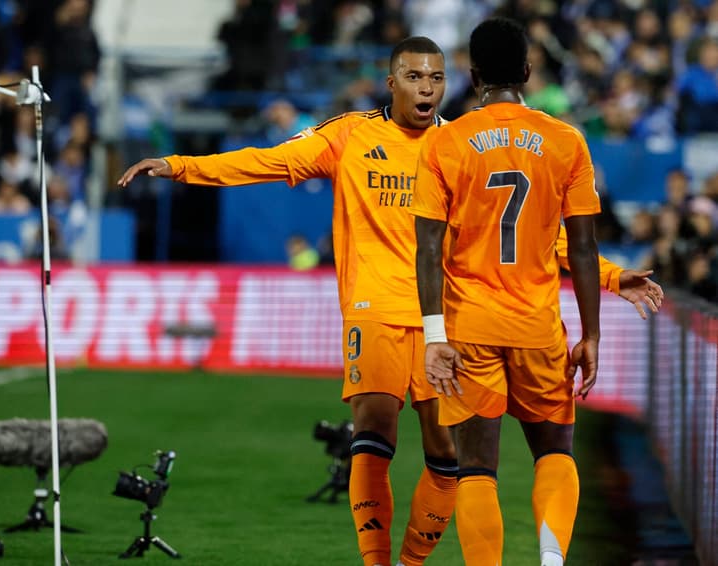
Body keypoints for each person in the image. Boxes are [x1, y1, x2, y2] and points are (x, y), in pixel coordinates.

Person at [119, 37, 662, 566]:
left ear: (456, 81)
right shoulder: (350, 136)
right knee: (375, 425)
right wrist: (181, 165)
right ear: (391, 82)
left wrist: (613, 277)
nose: (426, 88)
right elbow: (269, 161)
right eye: (414, 76)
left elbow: (536, 237)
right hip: (374, 310)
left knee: (450, 457)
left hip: (446, 323)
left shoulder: (460, 142)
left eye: (436, 77)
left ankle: (411, 560)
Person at [411, 17, 632, 566]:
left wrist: (434, 334)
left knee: (477, 470)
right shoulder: (565, 141)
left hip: (470, 328)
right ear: (529, 72)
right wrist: (592, 336)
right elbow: (581, 248)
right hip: (537, 325)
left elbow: (428, 249)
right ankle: (552, 560)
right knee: (555, 452)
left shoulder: (445, 143)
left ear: (472, 73)